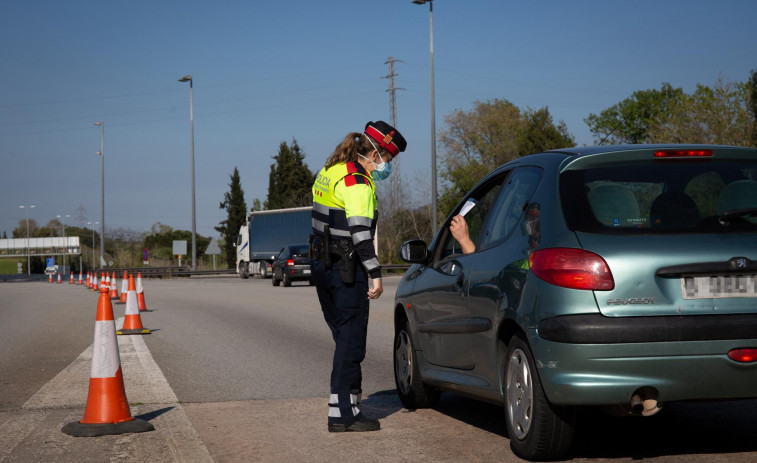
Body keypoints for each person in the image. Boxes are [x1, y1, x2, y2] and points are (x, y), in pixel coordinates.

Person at [310, 120, 407, 432]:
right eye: (388, 160)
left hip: (322, 264)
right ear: (376, 154)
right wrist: (375, 274)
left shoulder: (331, 170)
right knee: (351, 342)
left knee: (344, 338)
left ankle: (350, 402)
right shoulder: (358, 181)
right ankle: (342, 416)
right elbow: (360, 234)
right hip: (346, 268)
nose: (387, 167)